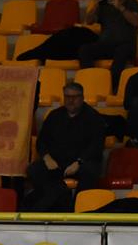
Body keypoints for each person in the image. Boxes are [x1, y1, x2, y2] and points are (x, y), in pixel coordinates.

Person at [26, 83, 105, 212]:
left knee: (90, 171)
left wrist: (79, 162)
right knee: (34, 170)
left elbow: (96, 146)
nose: (70, 100)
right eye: (67, 96)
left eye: (75, 97)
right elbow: (41, 141)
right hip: (56, 161)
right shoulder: (54, 115)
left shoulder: (94, 117)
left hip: (82, 162)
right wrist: (47, 158)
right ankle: (60, 199)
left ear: (82, 97)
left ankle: (78, 210)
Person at [80, 0, 138, 90]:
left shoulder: (132, 2)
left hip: (125, 45)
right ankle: (91, 81)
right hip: (106, 45)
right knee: (85, 50)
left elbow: (135, 22)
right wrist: (94, 7)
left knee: (121, 54)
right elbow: (88, 21)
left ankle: (112, 88)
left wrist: (120, 7)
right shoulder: (103, 5)